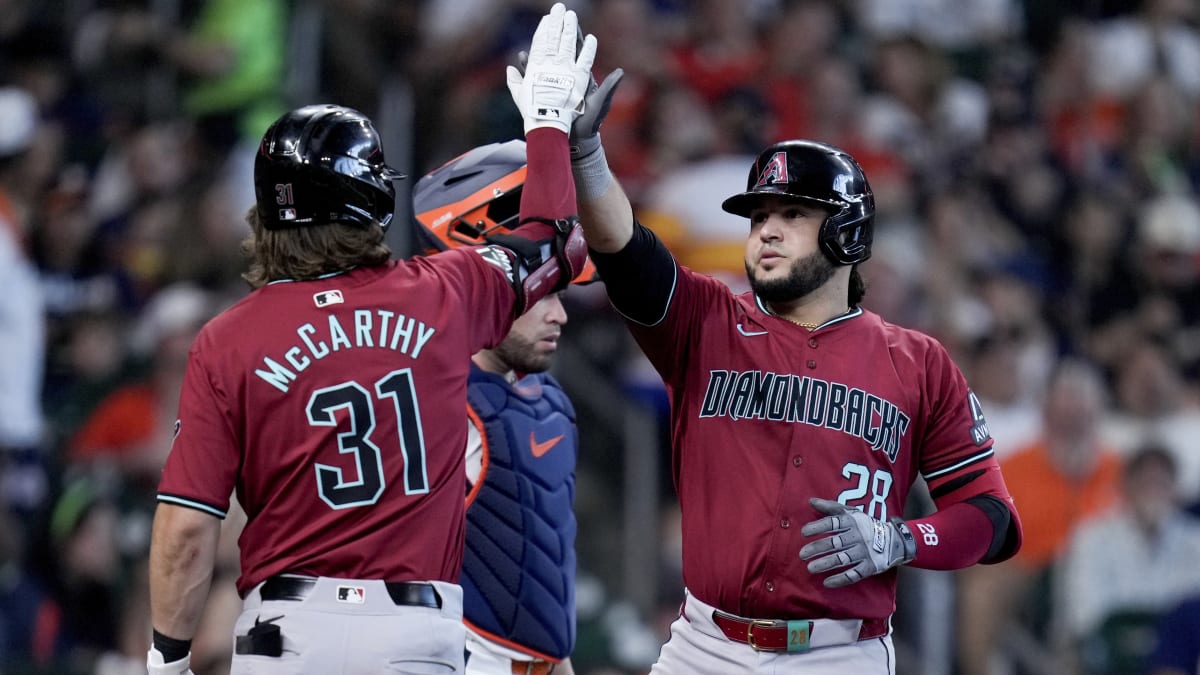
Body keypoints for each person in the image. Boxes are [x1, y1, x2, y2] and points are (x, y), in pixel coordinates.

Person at [509, 7, 1024, 672]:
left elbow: (992, 516)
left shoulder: (919, 362)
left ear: (849, 234)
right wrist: (583, 157)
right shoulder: (706, 320)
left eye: (792, 215)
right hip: (703, 646)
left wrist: (903, 537)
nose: (767, 230)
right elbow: (625, 249)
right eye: (759, 217)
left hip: (840, 655)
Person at [145, 12, 595, 672]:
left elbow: (187, 527)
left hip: (287, 632)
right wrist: (549, 127)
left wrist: (167, 661)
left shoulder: (227, 339)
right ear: (375, 202)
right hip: (414, 633)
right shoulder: (445, 292)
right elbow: (550, 237)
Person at [413, 139, 585, 675]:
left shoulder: (548, 398)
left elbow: (544, 574)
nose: (558, 315)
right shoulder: (428, 396)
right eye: (541, 293)